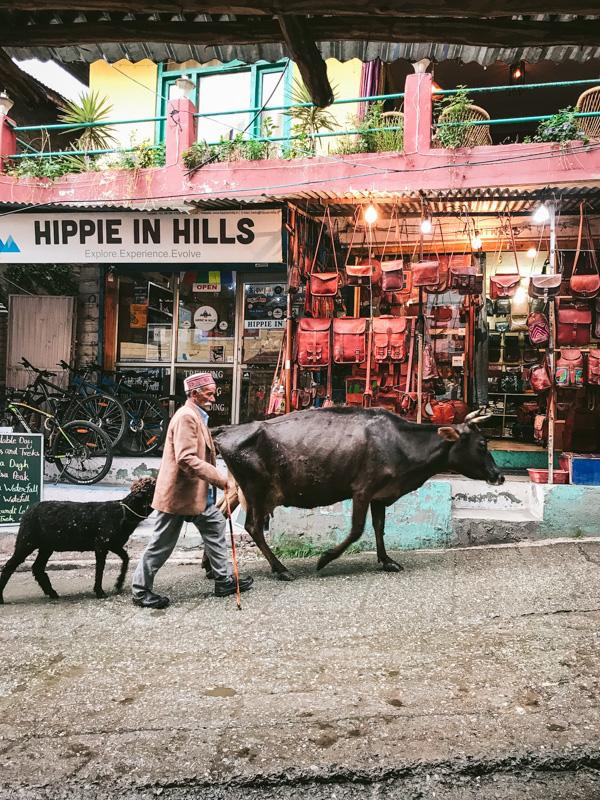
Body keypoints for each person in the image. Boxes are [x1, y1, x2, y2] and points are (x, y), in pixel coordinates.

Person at [132, 372, 253, 609]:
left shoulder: (195, 415)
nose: (213, 398)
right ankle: (140, 591)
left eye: (213, 394)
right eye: (209, 394)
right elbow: (186, 458)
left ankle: (223, 580)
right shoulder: (186, 417)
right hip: (179, 495)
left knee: (215, 525)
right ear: (194, 394)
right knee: (161, 544)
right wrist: (219, 479)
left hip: (195, 494)